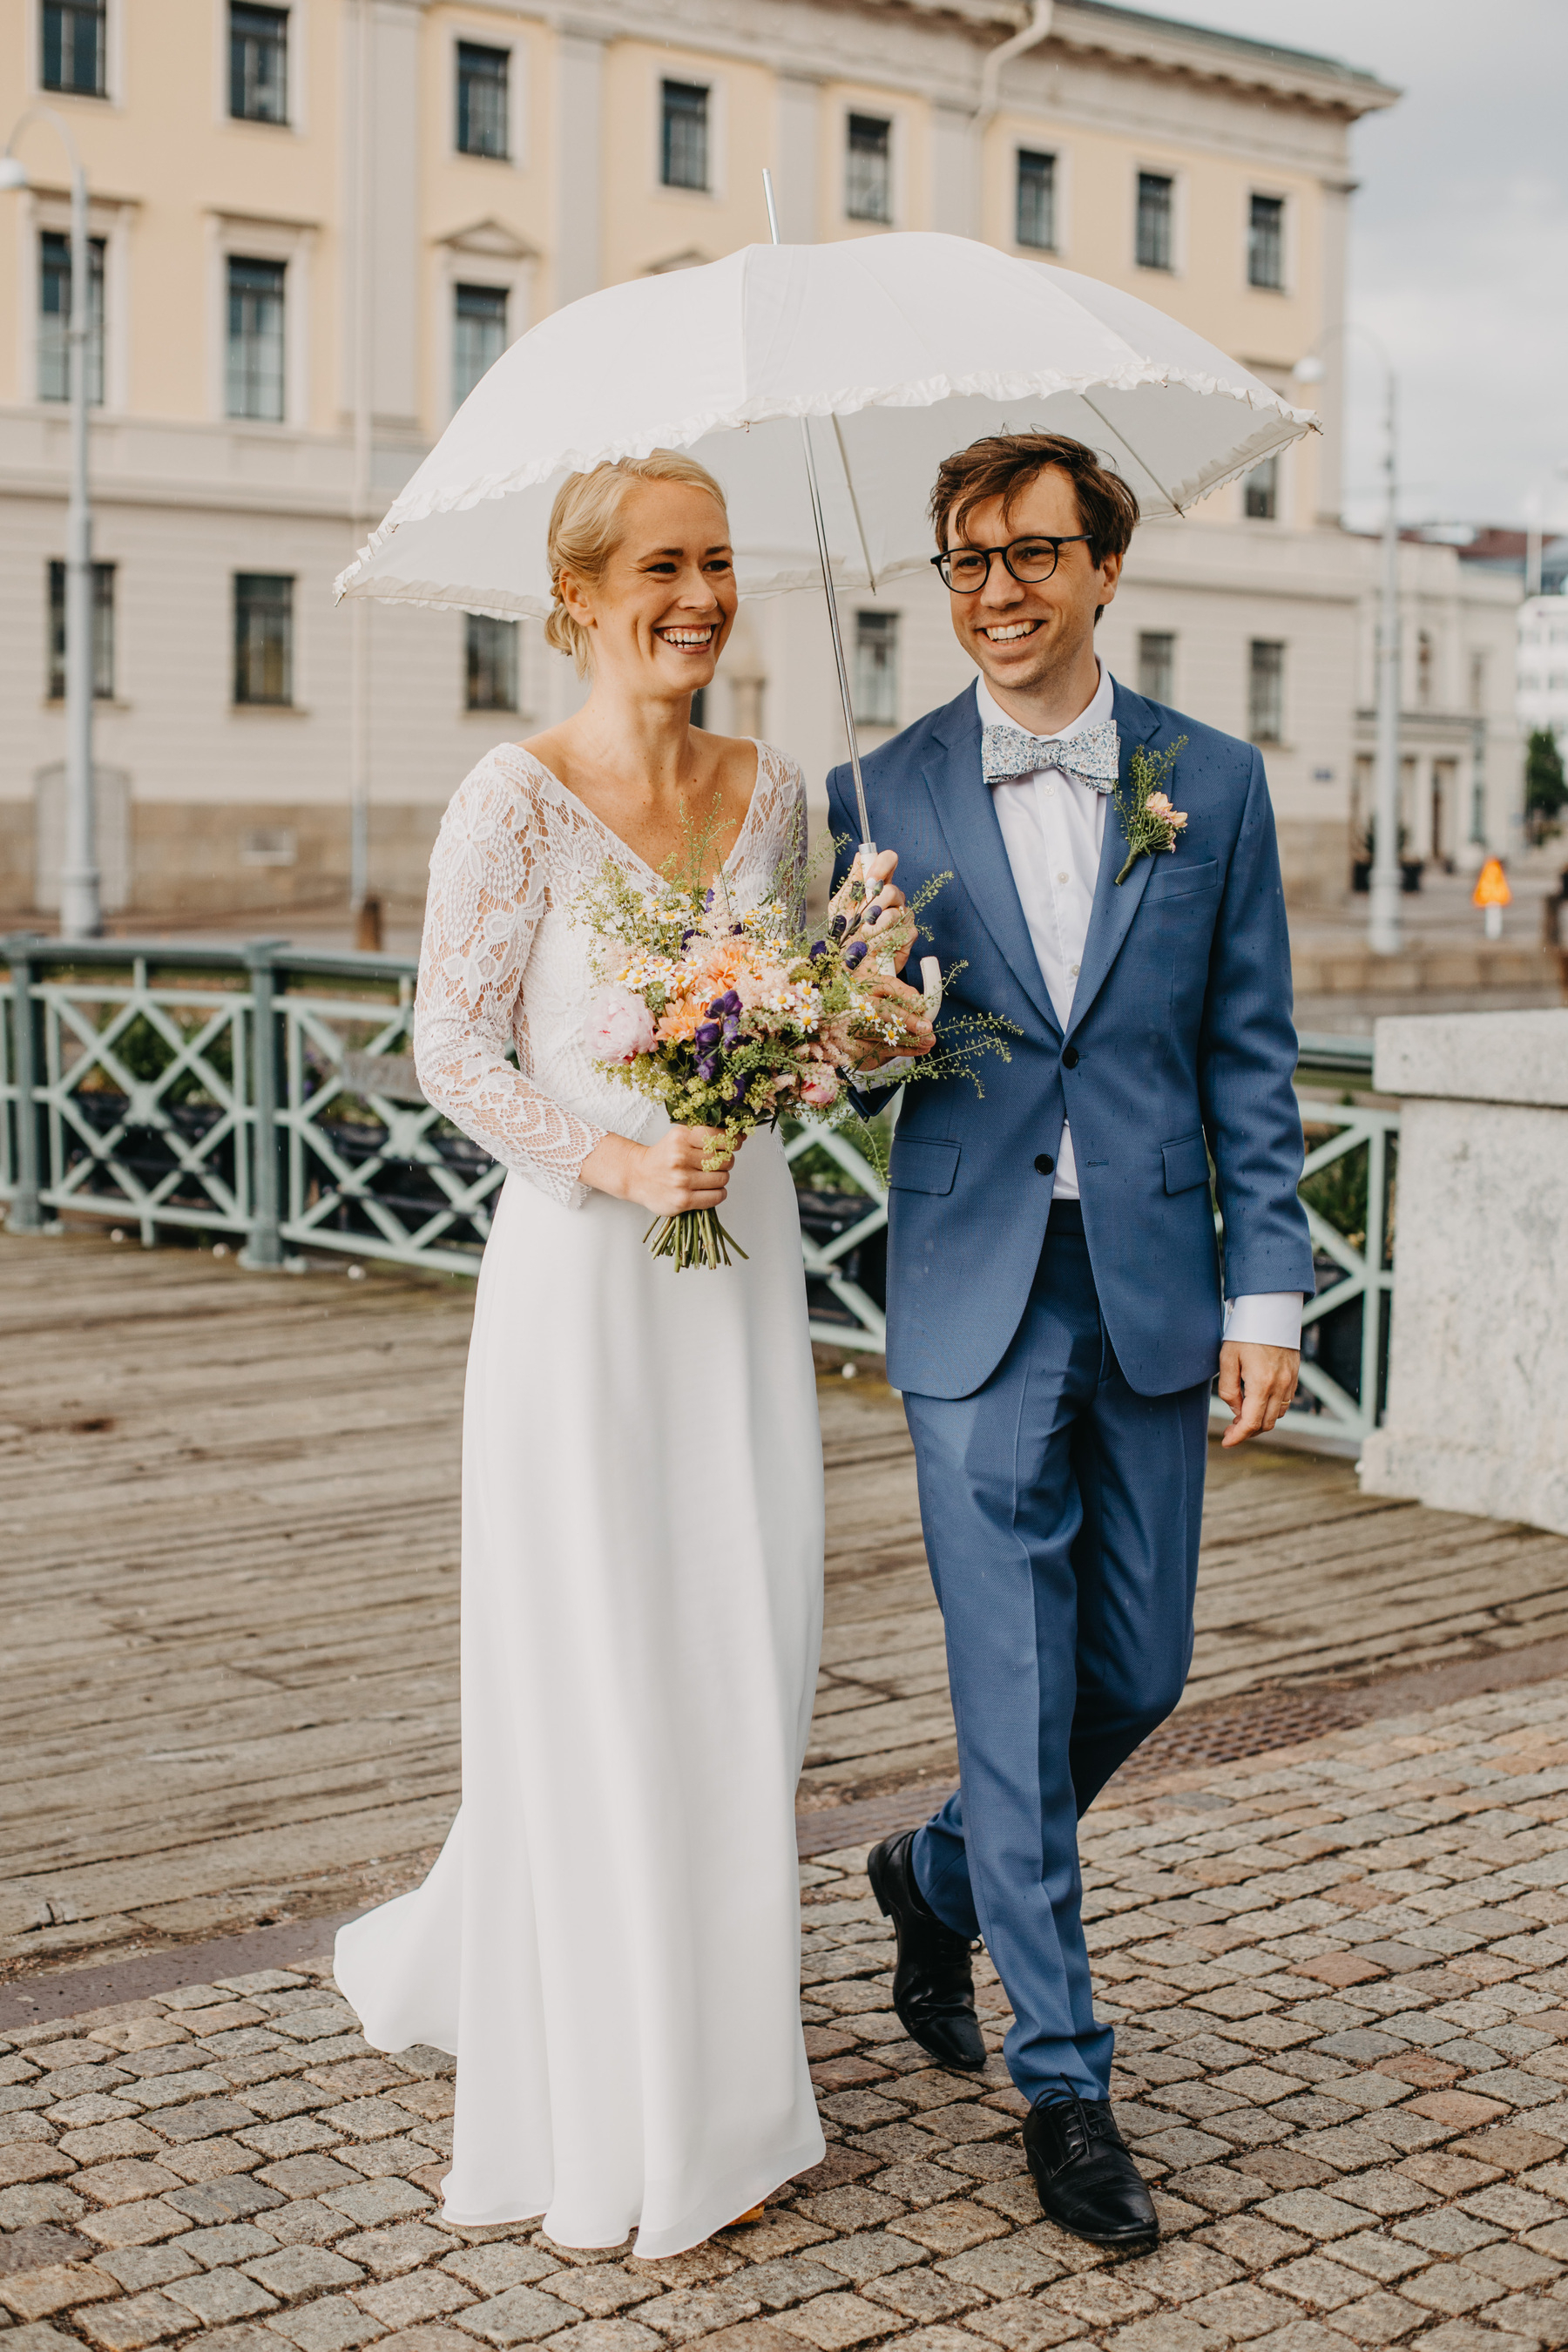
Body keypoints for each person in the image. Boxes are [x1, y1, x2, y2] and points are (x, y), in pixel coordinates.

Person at [335, 450, 912, 2257]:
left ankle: (730, 2072)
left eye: (721, 561)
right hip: (584, 1288)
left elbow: (801, 1051)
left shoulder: (778, 795)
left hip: (739, 1276)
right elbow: (455, 1049)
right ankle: (620, 2095)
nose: (701, 593)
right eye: (662, 564)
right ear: (579, 595)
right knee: (599, 1672)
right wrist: (610, 1151)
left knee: (747, 1655)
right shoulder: (510, 799)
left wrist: (857, 1021)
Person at [828, 431, 1315, 2254]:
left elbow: (1248, 1060)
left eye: (1031, 553)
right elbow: (842, 1063)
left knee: (1144, 1668)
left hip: (1153, 1294)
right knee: (1017, 1700)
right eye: (962, 563)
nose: (996, 592)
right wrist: (853, 1023)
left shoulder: (1216, 784)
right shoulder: (871, 791)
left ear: (1106, 566)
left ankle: (932, 1875)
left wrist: (1269, 1291)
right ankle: (1069, 2083)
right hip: (970, 1295)